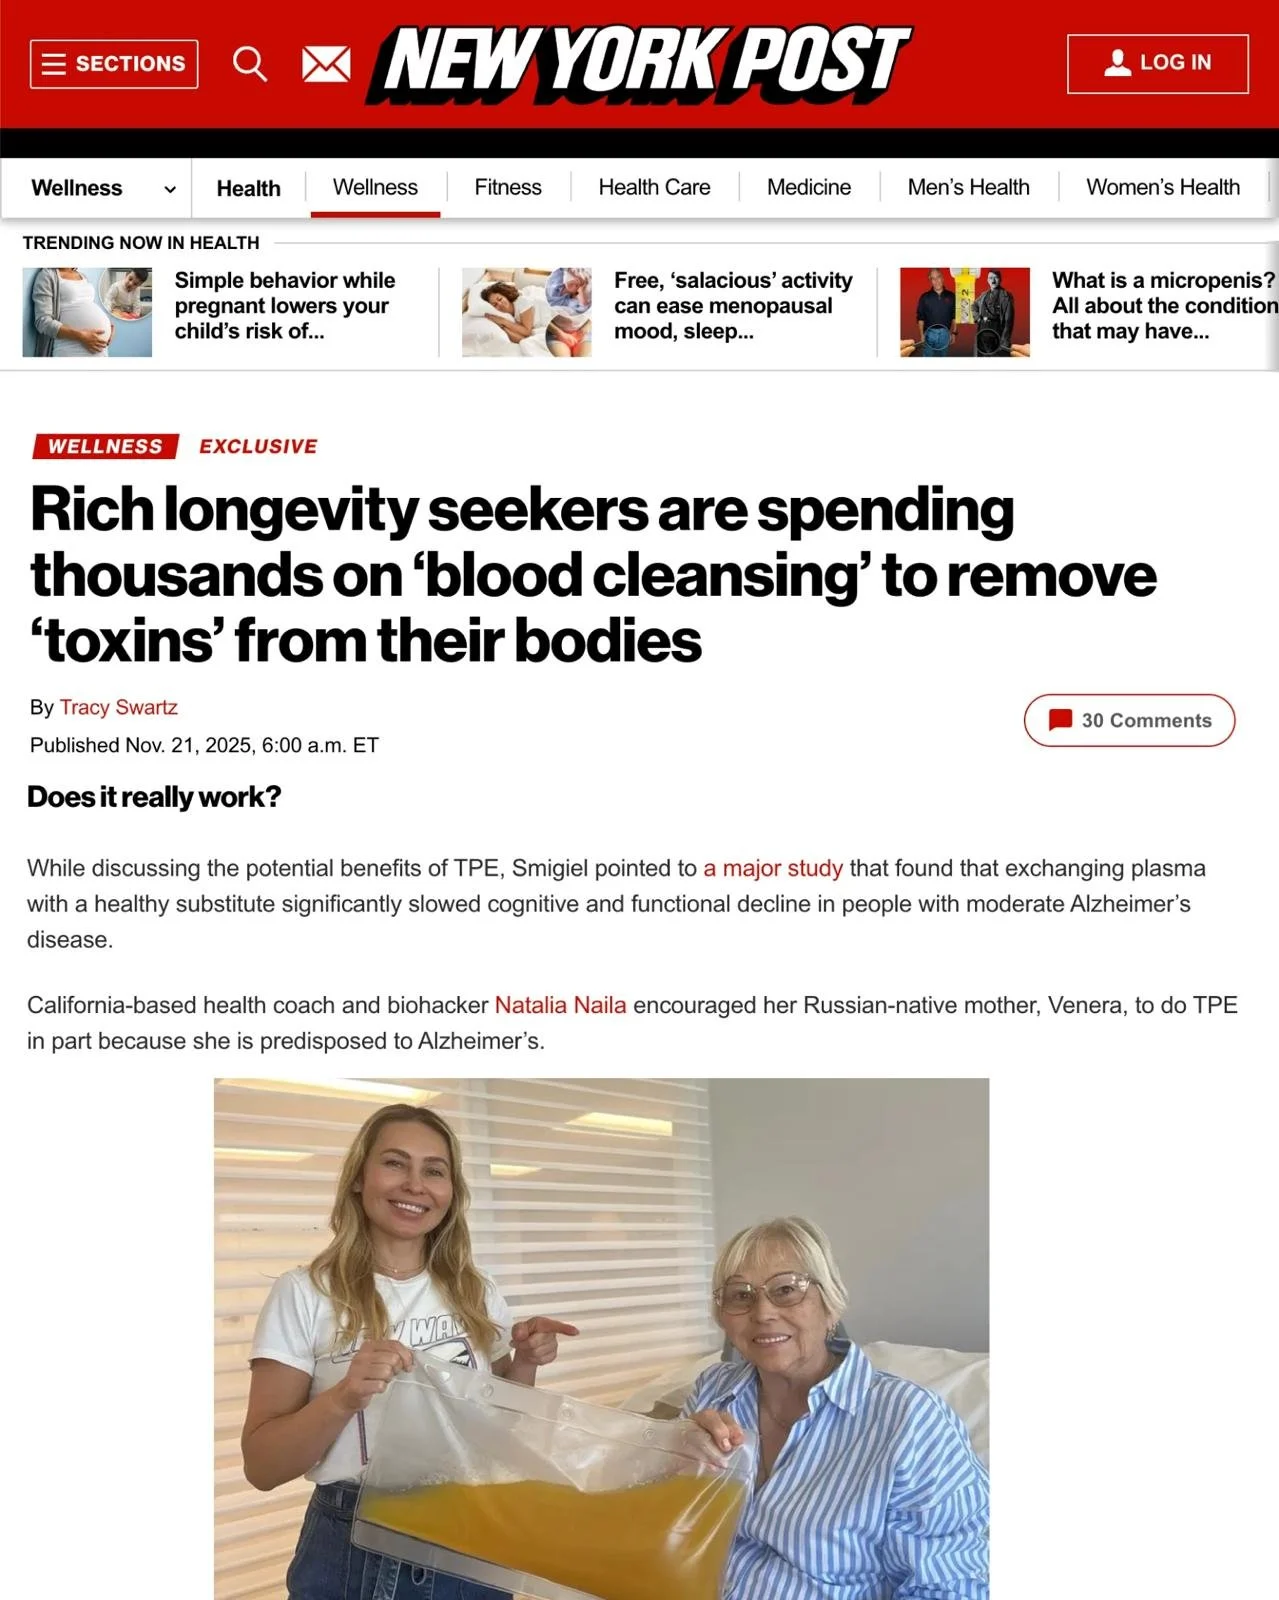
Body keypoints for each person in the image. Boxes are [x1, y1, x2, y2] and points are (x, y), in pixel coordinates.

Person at [243, 1103, 578, 1600]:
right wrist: (343, 1398)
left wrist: (524, 1361)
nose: (415, 1184)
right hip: (352, 1546)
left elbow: (498, 1430)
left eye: (434, 1171)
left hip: (472, 1535)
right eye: (395, 1163)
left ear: (450, 1192)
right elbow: (262, 1466)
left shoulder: (476, 1291)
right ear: (359, 1177)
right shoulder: (305, 1292)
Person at [687, 1217, 988, 1599]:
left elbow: (947, 1587)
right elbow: (661, 1524)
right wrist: (672, 1455)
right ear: (722, 1317)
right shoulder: (712, 1390)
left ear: (830, 1304)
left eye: (786, 1289)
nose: (762, 1312)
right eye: (741, 1295)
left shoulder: (910, 1421)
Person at [31, 267, 113, 357]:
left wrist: (108, 325)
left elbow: (86, 305)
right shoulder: (47, 275)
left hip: (98, 348)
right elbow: (43, 321)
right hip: (71, 347)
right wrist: (80, 336)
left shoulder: (82, 276)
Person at [915, 268, 956, 357]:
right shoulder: (924, 297)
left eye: (938, 277)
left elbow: (954, 316)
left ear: (943, 278)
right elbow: (920, 317)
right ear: (930, 281)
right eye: (933, 278)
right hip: (929, 334)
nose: (936, 281)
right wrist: (922, 335)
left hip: (945, 334)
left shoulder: (951, 296)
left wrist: (954, 333)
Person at [972, 269, 1015, 357]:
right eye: (991, 278)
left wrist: (1005, 340)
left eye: (996, 278)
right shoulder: (984, 295)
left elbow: (1008, 320)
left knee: (997, 357)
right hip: (983, 329)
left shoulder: (1006, 296)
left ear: (1000, 279)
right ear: (987, 280)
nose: (993, 280)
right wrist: (978, 318)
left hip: (997, 329)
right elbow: (974, 306)